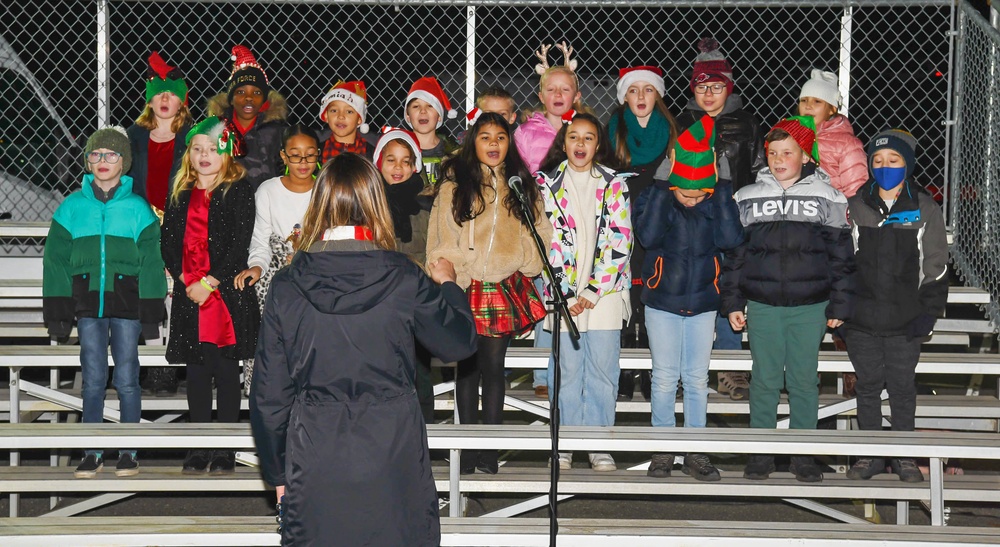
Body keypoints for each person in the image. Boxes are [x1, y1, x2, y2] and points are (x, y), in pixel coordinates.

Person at [250, 153, 477, 546]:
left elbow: (269, 395)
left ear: (319, 203)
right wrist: (449, 286)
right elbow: (457, 342)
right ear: (376, 203)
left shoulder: (288, 285)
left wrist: (278, 474)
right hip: (392, 444)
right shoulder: (404, 275)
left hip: (316, 447)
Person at [721, 116, 854, 483]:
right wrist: (734, 303)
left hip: (809, 306)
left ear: (806, 156)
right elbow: (735, 257)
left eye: (788, 152)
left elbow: (842, 258)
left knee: (802, 380)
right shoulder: (747, 196)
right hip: (762, 305)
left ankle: (803, 453)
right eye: (773, 152)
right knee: (763, 379)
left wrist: (839, 304)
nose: (779, 160)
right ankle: (761, 452)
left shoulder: (827, 197)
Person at [427, 112, 550, 474]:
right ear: (472, 142)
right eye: (485, 137)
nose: (493, 144)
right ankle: (467, 447)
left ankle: (490, 449)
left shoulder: (521, 184)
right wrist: (455, 273)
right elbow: (441, 235)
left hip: (503, 284)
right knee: (466, 368)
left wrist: (525, 258)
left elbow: (539, 230)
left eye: (500, 137)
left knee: (494, 368)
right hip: (466, 284)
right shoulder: (454, 186)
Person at [43, 126, 167, 478]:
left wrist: (150, 310)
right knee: (94, 378)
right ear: (87, 161)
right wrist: (57, 308)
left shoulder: (137, 208)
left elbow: (152, 261)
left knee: (127, 378)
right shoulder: (71, 207)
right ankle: (92, 450)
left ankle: (128, 450)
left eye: (111, 155)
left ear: (124, 162)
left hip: (126, 305)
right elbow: (54, 260)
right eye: (96, 155)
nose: (102, 161)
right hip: (87, 307)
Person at [634, 114, 743, 480]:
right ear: (672, 182)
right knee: (665, 377)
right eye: (686, 192)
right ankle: (664, 449)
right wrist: (665, 189)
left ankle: (696, 450)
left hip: (702, 304)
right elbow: (648, 236)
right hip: (662, 302)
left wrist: (723, 187)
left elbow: (730, 239)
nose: (694, 200)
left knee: (696, 379)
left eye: (701, 193)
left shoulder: (716, 201)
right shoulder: (658, 196)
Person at [844, 129, 948, 483]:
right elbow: (843, 263)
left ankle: (904, 455)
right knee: (868, 386)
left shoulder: (924, 207)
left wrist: (928, 314)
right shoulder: (856, 205)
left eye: (894, 161)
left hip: (906, 320)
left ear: (908, 164)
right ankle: (869, 455)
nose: (885, 166)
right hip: (862, 320)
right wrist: (843, 312)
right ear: (869, 165)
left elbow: (935, 265)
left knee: (903, 388)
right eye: (878, 161)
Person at [161, 117, 259, 475]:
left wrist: (211, 281)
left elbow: (239, 244)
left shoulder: (239, 190)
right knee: (197, 371)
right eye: (197, 149)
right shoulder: (180, 192)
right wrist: (188, 278)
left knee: (226, 372)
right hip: (191, 294)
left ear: (226, 153)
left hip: (224, 294)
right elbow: (168, 242)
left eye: (212, 149)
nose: (204, 155)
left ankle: (225, 448)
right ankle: (198, 446)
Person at [536, 111, 632, 472]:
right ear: (563, 142)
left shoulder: (613, 183)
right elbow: (546, 241)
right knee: (567, 371)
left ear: (598, 144)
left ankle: (598, 444)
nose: (580, 144)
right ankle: (564, 444)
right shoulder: (545, 184)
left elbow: (620, 239)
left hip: (604, 294)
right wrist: (565, 291)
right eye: (573, 137)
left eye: (588, 137)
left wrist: (593, 289)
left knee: (603, 371)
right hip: (564, 295)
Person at [676, 37, 766, 401]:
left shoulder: (746, 122)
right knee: (693, 287)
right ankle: (686, 368)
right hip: (693, 214)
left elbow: (759, 167)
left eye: (716, 87)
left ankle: (729, 367)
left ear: (728, 87)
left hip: (733, 214)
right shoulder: (682, 121)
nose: (709, 94)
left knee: (730, 287)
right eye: (701, 87)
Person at [514, 42, 583, 398]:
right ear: (541, 95)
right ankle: (543, 375)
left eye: (565, 89)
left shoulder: (585, 132)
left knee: (570, 298)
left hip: (578, 229)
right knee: (546, 299)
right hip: (544, 229)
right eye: (551, 89)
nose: (558, 94)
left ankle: (570, 369)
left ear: (577, 94)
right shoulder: (527, 134)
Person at [608, 65, 679, 402]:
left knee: (652, 304)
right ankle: (622, 372)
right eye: (633, 90)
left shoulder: (671, 134)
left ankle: (653, 372)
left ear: (658, 95)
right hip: (619, 231)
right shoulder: (612, 133)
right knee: (622, 305)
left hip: (658, 229)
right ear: (624, 96)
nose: (640, 96)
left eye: (648, 90)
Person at [126, 50, 193, 397]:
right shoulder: (134, 136)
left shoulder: (192, 137)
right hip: (143, 223)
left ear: (182, 101)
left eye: (172, 93)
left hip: (180, 223)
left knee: (174, 293)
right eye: (159, 93)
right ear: (150, 100)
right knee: (148, 291)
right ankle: (154, 362)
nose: (165, 99)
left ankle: (173, 361)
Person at [235, 124, 320, 394]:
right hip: (277, 273)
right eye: (295, 155)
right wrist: (257, 267)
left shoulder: (326, 190)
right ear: (283, 156)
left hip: (317, 274)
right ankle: (268, 389)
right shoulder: (268, 191)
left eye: (309, 155)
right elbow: (260, 239)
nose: (303, 162)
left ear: (319, 155)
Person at [373, 125, 437, 421]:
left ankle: (425, 437)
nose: (398, 167)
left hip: (415, 296)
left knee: (419, 371)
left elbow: (434, 249)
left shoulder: (427, 204)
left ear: (415, 166)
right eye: (391, 159)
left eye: (406, 161)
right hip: (377, 297)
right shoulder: (368, 204)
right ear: (379, 163)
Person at [206, 45, 288, 190]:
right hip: (226, 201)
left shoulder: (277, 131)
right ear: (230, 99)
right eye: (240, 92)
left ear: (264, 100)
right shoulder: (217, 130)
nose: (249, 98)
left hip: (265, 203)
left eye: (256, 93)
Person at [797, 69, 868, 198]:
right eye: (804, 100)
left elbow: (855, 191)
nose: (808, 106)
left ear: (832, 109)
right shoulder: (791, 136)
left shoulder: (847, 144)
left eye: (817, 101)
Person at [403, 76, 460, 186]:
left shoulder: (455, 152)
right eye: (416, 106)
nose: (423, 111)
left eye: (430, 106)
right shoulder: (400, 151)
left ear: (439, 116)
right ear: (408, 116)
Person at [318, 80, 374, 163]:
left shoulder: (371, 153)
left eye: (349, 112)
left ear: (359, 119)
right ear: (326, 115)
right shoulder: (317, 152)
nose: (341, 116)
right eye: (334, 111)